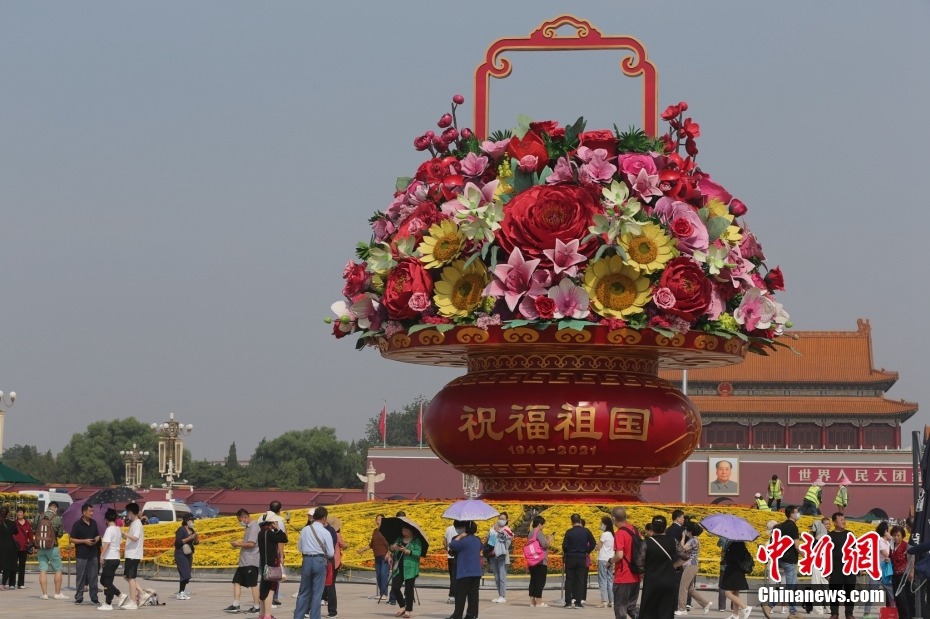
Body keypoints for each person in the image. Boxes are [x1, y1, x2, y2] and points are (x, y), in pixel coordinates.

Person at [294, 507, 334, 619]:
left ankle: (298, 616)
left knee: (303, 592)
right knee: (317, 593)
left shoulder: (305, 530)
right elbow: (330, 553)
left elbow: (300, 548)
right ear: (324, 518)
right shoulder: (325, 532)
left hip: (307, 560)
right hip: (319, 561)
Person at [761, 505, 800, 619]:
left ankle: (793, 612)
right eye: (797, 512)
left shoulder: (781, 526)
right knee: (790, 587)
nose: (798, 514)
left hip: (781, 559)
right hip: (790, 560)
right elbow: (797, 546)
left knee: (793, 586)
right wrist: (807, 555)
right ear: (792, 514)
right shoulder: (793, 527)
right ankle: (770, 605)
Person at [639, 515, 679, 619]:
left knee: (649, 610)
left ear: (652, 527)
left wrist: (643, 572)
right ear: (665, 527)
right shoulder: (673, 541)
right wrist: (674, 565)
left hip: (652, 581)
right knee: (666, 610)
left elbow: (639, 562)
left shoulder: (647, 542)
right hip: (668, 580)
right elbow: (685, 556)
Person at [224, 508, 260, 613]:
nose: (241, 522)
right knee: (236, 581)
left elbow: (251, 544)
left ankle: (257, 606)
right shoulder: (249, 527)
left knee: (253, 584)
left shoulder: (254, 527)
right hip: (244, 561)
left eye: (240, 520)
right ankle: (236, 604)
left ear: (245, 517)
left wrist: (238, 544)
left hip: (251, 561)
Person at [447, 520, 482, 619]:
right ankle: (472, 614)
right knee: (473, 595)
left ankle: (457, 615)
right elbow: (480, 547)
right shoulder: (477, 539)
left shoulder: (463, 540)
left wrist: (459, 537)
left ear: (465, 529)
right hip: (476, 572)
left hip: (464, 572)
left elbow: (452, 545)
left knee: (460, 595)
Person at [610, 507, 641, 619]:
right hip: (636, 575)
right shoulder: (635, 530)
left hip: (623, 576)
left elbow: (619, 555)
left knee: (620, 608)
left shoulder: (620, 533)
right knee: (631, 608)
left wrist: (610, 561)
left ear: (613, 519)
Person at [34, 500, 68, 600]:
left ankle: (44, 594)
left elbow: (34, 528)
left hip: (41, 547)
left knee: (43, 570)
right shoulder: (57, 518)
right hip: (53, 547)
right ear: (55, 508)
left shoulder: (39, 516)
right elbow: (61, 533)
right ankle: (57, 593)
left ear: (48, 507)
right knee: (58, 570)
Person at [258, 510, 288, 619]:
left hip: (264, 564)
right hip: (271, 565)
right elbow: (284, 538)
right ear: (272, 523)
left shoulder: (261, 532)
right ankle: (267, 615)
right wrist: (278, 529)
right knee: (271, 590)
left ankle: (262, 614)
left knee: (263, 589)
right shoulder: (270, 533)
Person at [677, 521, 712, 615]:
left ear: (690, 531)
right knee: (689, 588)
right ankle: (705, 604)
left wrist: (683, 538)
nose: (685, 531)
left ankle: (682, 609)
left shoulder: (693, 540)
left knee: (683, 587)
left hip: (690, 565)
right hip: (692, 565)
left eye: (686, 530)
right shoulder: (694, 539)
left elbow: (682, 549)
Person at [562, 513, 596, 609]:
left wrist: (568, 551)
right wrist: (586, 551)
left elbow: (564, 546)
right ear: (580, 520)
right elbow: (593, 543)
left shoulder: (569, 532)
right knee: (580, 580)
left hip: (571, 557)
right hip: (581, 557)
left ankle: (568, 602)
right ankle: (578, 602)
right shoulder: (586, 531)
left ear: (571, 521)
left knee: (569, 580)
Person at [70, 502, 101, 605]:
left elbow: (97, 535)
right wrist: (84, 541)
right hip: (81, 555)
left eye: (93, 511)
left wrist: (96, 540)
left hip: (93, 554)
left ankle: (94, 597)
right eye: (90, 511)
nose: (92, 513)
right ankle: (79, 597)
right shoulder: (77, 524)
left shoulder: (94, 523)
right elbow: (71, 539)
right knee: (81, 576)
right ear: (84, 512)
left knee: (94, 577)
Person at [826, 512, 856, 619]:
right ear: (834, 522)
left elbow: (855, 552)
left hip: (849, 568)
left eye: (844, 519)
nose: (843, 522)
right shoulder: (830, 536)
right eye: (841, 520)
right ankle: (834, 613)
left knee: (849, 591)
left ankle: (849, 613)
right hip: (835, 569)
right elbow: (826, 555)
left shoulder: (850, 534)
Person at [389, 523, 423, 619]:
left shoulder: (416, 540)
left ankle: (408, 610)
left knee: (408, 590)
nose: (403, 532)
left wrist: (406, 551)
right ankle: (402, 606)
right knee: (395, 587)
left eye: (405, 530)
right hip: (398, 567)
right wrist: (393, 547)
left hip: (410, 568)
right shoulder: (399, 539)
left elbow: (418, 553)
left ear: (410, 530)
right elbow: (391, 548)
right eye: (403, 530)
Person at [719, 537, 753, 619]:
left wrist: (725, 554)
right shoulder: (741, 543)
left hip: (733, 571)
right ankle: (735, 614)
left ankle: (745, 607)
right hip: (738, 571)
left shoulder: (735, 544)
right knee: (735, 594)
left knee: (728, 593)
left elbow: (732, 558)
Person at [98, 508, 123, 610]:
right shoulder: (118, 529)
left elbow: (107, 544)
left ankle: (112, 600)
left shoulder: (109, 529)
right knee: (106, 580)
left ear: (106, 519)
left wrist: (101, 556)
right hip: (116, 557)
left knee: (105, 581)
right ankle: (111, 599)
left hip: (110, 557)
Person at [121, 502, 145, 609]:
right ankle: (142, 593)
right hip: (130, 553)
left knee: (131, 578)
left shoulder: (137, 523)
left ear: (131, 512)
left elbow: (135, 538)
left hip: (133, 554)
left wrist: (125, 534)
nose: (127, 515)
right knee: (127, 576)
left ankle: (133, 601)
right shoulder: (134, 523)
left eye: (127, 512)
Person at [322, 516, 347, 618]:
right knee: (330, 584)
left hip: (326, 561)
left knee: (326, 583)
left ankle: (325, 601)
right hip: (334, 562)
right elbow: (344, 545)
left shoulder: (324, 533)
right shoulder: (337, 534)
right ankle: (332, 610)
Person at [487, 511, 513, 604]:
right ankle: (499, 595)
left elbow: (507, 542)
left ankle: (503, 595)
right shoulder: (493, 529)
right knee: (496, 576)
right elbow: (489, 541)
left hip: (502, 555)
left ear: (506, 520)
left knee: (502, 576)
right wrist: (491, 532)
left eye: (503, 519)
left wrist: (499, 532)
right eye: (500, 518)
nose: (501, 520)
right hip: (493, 555)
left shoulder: (507, 530)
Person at [890, 524, 914, 619]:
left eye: (898, 535)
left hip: (903, 576)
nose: (896, 537)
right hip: (894, 574)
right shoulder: (892, 546)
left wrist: (911, 573)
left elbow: (911, 561)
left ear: (902, 535)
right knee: (897, 599)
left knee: (903, 599)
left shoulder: (907, 546)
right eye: (894, 535)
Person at [527, 515, 552, 608]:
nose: (543, 526)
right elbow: (544, 544)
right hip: (540, 561)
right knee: (540, 581)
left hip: (532, 560)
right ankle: (539, 602)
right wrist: (549, 540)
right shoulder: (538, 532)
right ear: (539, 524)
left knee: (533, 580)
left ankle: (532, 601)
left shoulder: (530, 533)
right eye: (543, 524)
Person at [267, 500, 287, 609]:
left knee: (265, 576)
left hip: (263, 552)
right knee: (275, 576)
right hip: (274, 553)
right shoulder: (279, 521)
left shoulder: (261, 518)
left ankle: (265, 597)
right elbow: (281, 540)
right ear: (280, 509)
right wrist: (281, 555)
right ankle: (273, 598)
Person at [174, 513, 198, 600]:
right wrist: (190, 538)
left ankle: (182, 591)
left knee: (187, 573)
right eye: (191, 520)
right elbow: (178, 542)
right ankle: (181, 592)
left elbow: (196, 543)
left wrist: (195, 538)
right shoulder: (181, 530)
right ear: (186, 521)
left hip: (189, 553)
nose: (193, 521)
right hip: (181, 553)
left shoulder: (192, 530)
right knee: (185, 573)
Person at [370, 514, 391, 602]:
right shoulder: (375, 531)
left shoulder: (387, 531)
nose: (379, 521)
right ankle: (381, 593)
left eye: (381, 520)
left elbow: (391, 543)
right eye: (378, 519)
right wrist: (362, 550)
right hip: (377, 556)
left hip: (385, 556)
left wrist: (389, 553)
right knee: (378, 575)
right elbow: (372, 544)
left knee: (383, 574)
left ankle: (384, 594)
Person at [595, 515, 615, 608]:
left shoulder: (605, 534)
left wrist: (595, 547)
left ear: (605, 524)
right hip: (611, 559)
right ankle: (612, 601)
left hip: (603, 559)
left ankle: (604, 601)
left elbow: (599, 547)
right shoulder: (612, 534)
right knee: (610, 579)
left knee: (602, 579)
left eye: (601, 523)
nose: (600, 525)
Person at [442, 519, 464, 604]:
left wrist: (448, 550)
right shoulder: (462, 533)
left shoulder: (448, 529)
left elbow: (445, 542)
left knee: (452, 577)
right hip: (458, 557)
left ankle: (452, 596)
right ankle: (454, 595)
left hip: (450, 556)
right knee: (458, 578)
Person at [11, 507, 33, 590]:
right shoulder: (14, 523)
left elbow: (30, 536)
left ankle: (20, 584)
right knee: (13, 565)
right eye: (18, 512)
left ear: (23, 513)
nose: (19, 514)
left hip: (24, 548)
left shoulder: (27, 523)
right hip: (15, 547)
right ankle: (12, 583)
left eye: (20, 512)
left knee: (22, 566)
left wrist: (31, 545)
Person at [0, 507, 16, 590]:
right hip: (9, 547)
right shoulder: (11, 523)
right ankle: (2, 585)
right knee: (7, 566)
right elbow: (16, 531)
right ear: (8, 514)